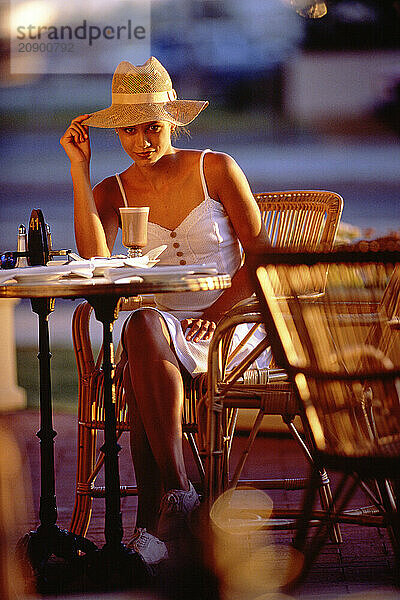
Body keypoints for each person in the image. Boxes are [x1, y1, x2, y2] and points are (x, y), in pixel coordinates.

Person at [60, 56, 269, 567]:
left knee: (136, 362)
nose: (141, 141)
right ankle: (180, 490)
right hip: (158, 330)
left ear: (172, 120)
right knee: (143, 324)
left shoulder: (215, 168)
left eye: (151, 126)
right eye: (128, 130)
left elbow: (261, 256)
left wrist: (219, 314)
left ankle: (154, 521)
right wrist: (79, 169)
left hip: (231, 327)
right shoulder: (111, 190)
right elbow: (96, 265)